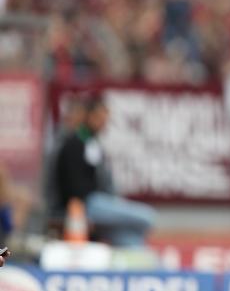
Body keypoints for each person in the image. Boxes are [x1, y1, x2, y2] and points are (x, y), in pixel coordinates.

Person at [53, 96, 157, 247]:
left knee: (134, 243)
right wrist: (80, 214)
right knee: (148, 217)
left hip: (100, 203)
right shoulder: (74, 143)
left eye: (106, 118)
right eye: (100, 117)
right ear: (88, 116)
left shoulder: (92, 143)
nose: (104, 122)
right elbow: (72, 187)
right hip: (87, 205)